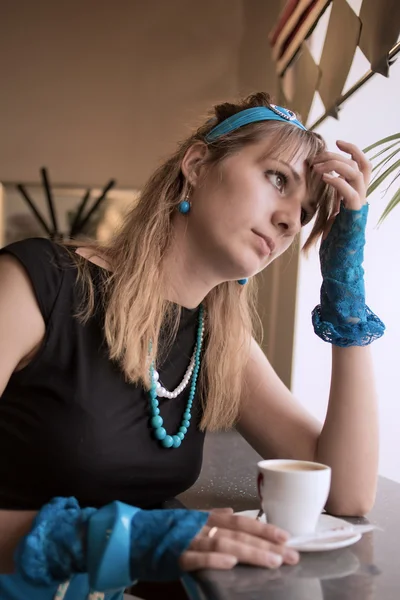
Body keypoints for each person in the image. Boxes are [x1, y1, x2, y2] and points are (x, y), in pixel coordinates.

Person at [0, 92, 384, 600]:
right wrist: (106, 539)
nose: (291, 219)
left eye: (307, 211)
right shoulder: (34, 284)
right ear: (198, 165)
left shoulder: (219, 340)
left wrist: (345, 287)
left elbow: (347, 491)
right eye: (277, 178)